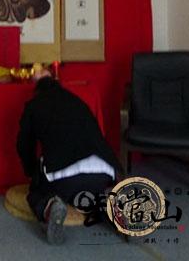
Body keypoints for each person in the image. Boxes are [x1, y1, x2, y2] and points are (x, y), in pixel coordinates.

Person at [16, 66, 121, 245]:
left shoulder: (34, 106)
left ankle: (50, 208)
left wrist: (31, 172)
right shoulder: (78, 101)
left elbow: (24, 145)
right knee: (92, 198)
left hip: (64, 175)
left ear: (37, 89)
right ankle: (117, 210)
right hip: (104, 171)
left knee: (36, 192)